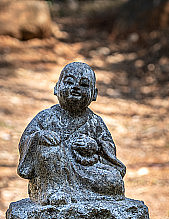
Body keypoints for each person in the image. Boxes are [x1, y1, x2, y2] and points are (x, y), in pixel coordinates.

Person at [17, 62, 126, 205]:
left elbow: (109, 147)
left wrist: (94, 146)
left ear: (94, 94)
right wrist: (39, 137)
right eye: (69, 82)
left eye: (84, 85)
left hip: (86, 169)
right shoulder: (46, 117)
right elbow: (26, 139)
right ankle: (54, 191)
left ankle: (82, 194)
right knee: (48, 151)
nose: (75, 87)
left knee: (114, 180)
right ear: (56, 88)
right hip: (55, 170)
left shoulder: (95, 121)